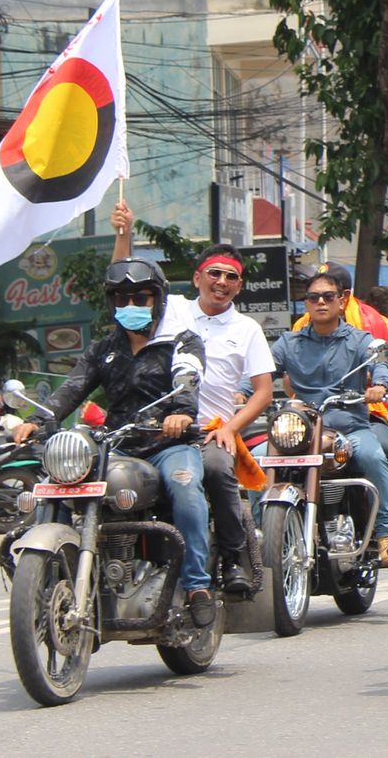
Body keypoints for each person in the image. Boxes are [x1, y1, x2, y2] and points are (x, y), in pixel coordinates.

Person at [12, 260, 216, 624]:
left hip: (168, 443)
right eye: (123, 299)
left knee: (185, 489)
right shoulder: (104, 348)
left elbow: (189, 375)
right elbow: (73, 387)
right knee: (62, 485)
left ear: (158, 300)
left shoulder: (182, 340)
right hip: (118, 445)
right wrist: (37, 418)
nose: (132, 306)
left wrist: (181, 412)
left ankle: (197, 584)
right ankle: (54, 574)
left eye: (141, 298)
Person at [148, 239, 275, 596]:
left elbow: (263, 391)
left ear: (239, 285)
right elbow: (126, 285)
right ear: (197, 278)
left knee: (218, 469)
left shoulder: (247, 328)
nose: (221, 282)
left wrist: (231, 429)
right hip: (158, 428)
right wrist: (123, 234)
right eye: (214, 274)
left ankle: (233, 559)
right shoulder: (172, 309)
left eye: (230, 277)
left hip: (210, 431)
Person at [272, 274, 388, 556]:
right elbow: (263, 369)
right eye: (313, 297)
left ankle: (386, 531)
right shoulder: (288, 342)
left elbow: (379, 363)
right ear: (305, 303)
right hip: (302, 431)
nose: (320, 302)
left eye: (328, 296)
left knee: (374, 457)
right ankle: (264, 533)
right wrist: (243, 391)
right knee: (259, 460)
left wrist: (380, 384)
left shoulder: (360, 340)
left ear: (342, 301)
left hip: (349, 429)